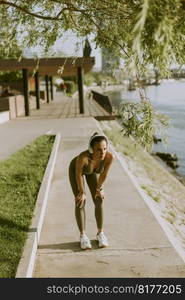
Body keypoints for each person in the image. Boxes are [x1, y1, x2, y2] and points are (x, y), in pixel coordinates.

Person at [69, 132, 114, 250]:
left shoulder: (109, 157)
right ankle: (83, 236)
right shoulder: (82, 158)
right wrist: (82, 192)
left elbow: (103, 175)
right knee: (80, 201)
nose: (102, 152)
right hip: (76, 170)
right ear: (91, 149)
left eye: (105, 149)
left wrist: (99, 188)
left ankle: (100, 234)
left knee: (98, 199)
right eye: (99, 149)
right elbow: (79, 175)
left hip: (92, 172)